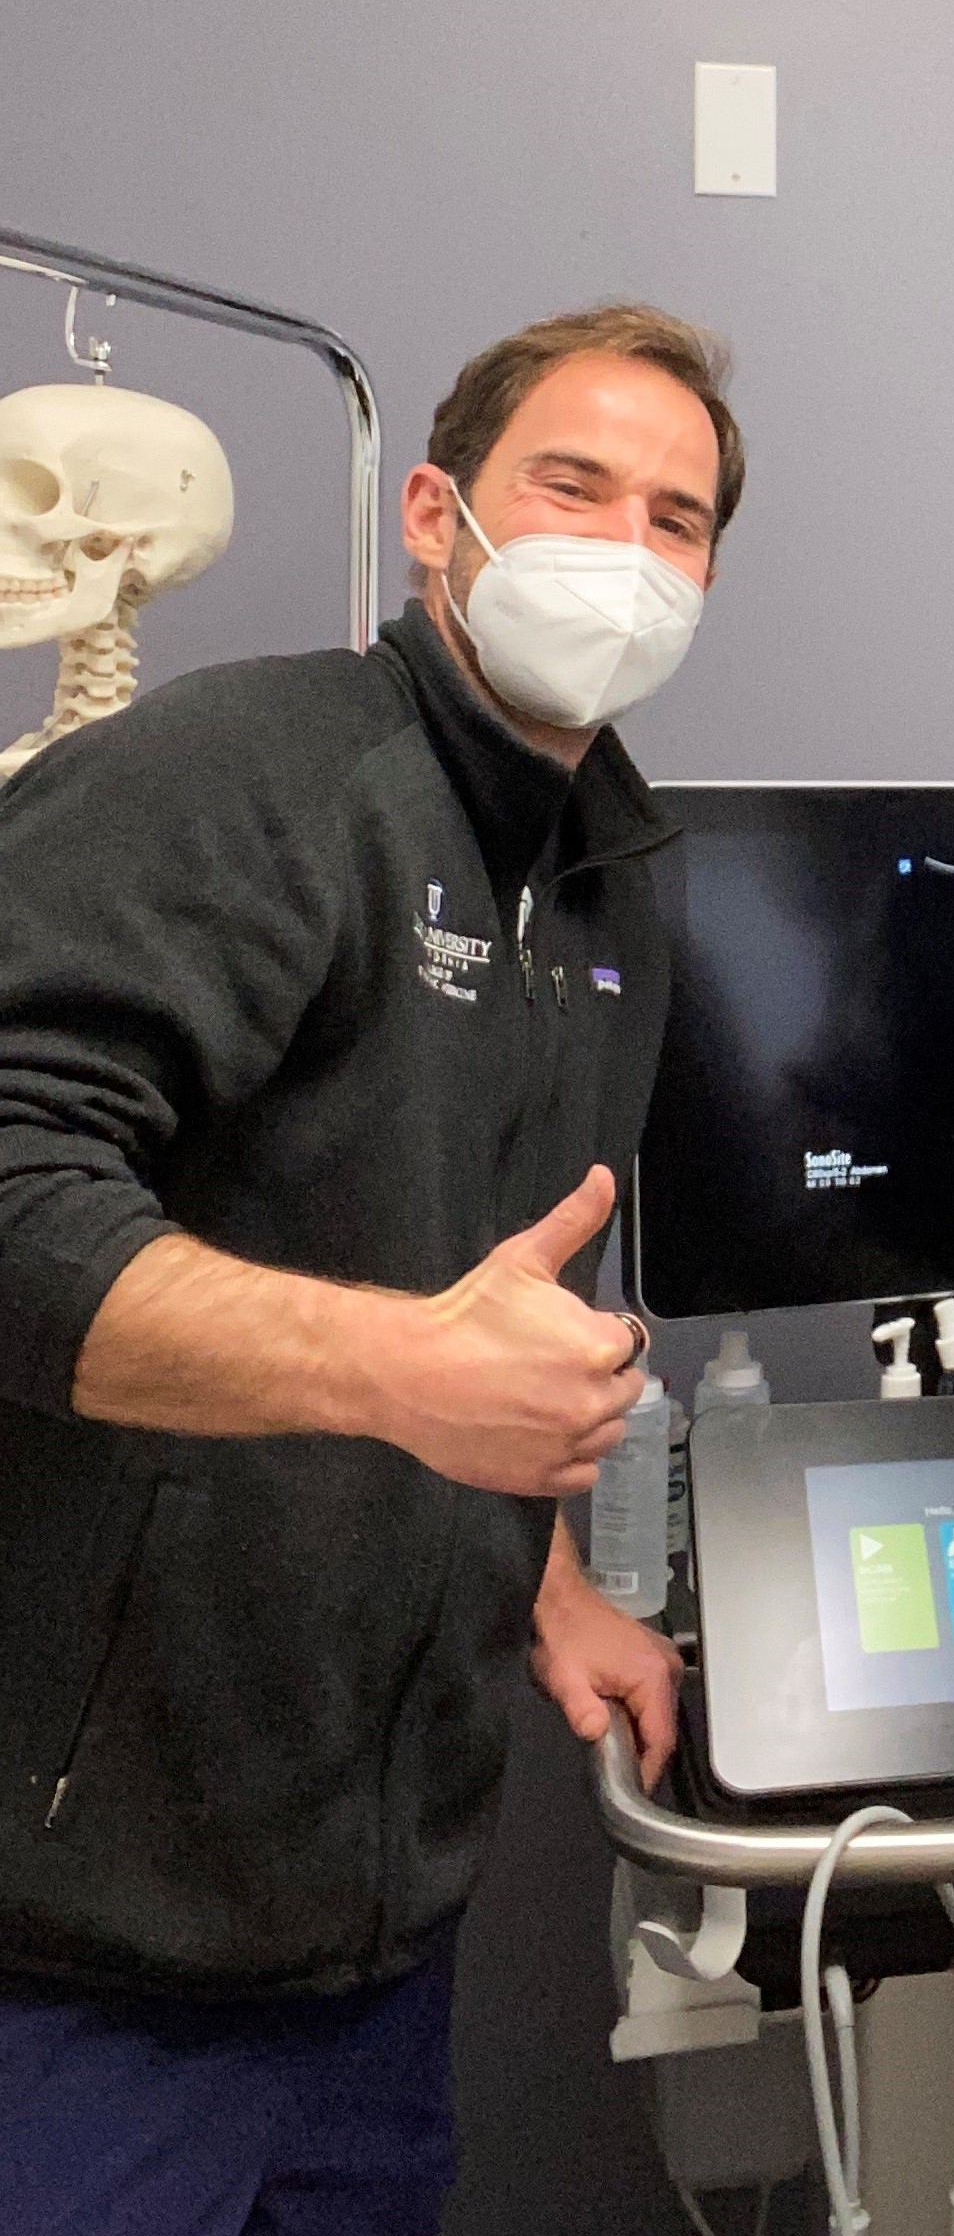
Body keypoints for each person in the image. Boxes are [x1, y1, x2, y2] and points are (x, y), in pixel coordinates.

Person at [0, 303, 744, 2234]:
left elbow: (492, 1264)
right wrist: (386, 1373)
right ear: (437, 514)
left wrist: (556, 1574)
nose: (622, 549)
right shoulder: (242, 781)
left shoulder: (613, 873)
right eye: (569, 488)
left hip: (371, 1922)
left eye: (677, 517)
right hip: (86, 1932)